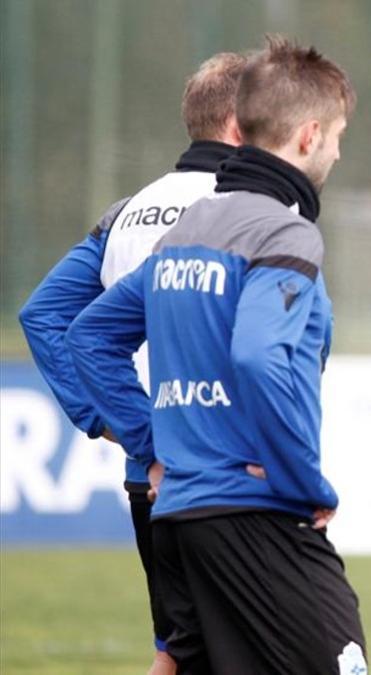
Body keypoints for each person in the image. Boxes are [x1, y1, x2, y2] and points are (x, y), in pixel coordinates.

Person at [65, 35, 366, 674]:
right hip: (256, 516)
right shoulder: (284, 232)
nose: (339, 150)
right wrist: (302, 482)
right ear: (309, 135)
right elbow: (261, 356)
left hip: (179, 519)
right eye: (339, 134)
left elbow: (88, 337)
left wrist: (153, 448)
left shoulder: (189, 231)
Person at [19, 51, 248, 675]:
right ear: (237, 122)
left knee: (175, 652)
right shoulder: (244, 205)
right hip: (226, 472)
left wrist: (129, 433)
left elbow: (44, 318)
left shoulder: (129, 211)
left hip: (149, 477)